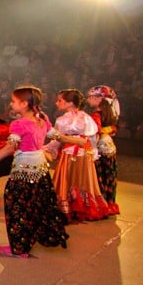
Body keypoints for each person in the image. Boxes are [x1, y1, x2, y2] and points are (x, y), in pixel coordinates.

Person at [0, 86, 68, 257]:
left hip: (23, 172)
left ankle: (19, 247)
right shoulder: (42, 119)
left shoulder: (19, 124)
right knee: (36, 205)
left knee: (17, 208)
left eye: (14, 101)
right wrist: (76, 140)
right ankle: (34, 238)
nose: (11, 104)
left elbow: (10, 148)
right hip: (40, 170)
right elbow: (57, 136)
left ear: (24, 104)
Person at [48, 89, 108, 222]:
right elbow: (92, 139)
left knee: (70, 178)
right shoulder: (87, 118)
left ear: (70, 103)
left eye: (60, 100)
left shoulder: (62, 120)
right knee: (82, 179)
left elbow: (57, 140)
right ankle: (82, 206)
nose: (57, 103)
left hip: (71, 154)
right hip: (84, 154)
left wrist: (46, 149)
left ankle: (67, 206)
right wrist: (93, 154)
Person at [86, 85, 120, 215]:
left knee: (101, 177)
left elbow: (95, 133)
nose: (89, 99)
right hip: (110, 147)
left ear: (99, 98)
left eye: (91, 97)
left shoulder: (96, 114)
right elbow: (114, 128)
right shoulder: (110, 113)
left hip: (100, 148)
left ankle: (101, 205)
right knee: (109, 176)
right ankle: (109, 202)